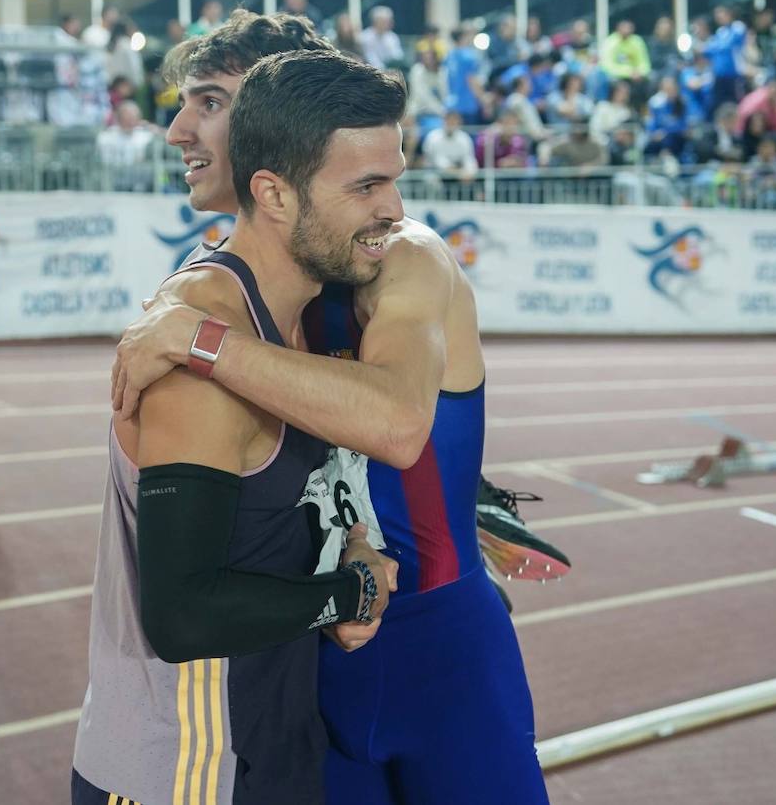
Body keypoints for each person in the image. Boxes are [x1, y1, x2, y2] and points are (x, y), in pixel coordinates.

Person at [113, 42, 551, 805]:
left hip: (442, 654)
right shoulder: (238, 291)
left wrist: (199, 340)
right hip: (321, 655)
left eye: (215, 103)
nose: (187, 128)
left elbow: (397, 423)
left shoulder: (402, 257)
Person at [72, 48, 402, 805]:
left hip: (265, 747)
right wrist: (347, 594)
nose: (393, 211)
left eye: (394, 180)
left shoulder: (294, 321)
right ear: (275, 194)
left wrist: (354, 540)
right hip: (181, 773)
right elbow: (183, 615)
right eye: (367, 187)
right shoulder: (203, 342)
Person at [360, 5, 405, 70]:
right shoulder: (365, 37)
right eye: (385, 21)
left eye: (389, 21)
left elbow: (398, 56)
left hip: (391, 71)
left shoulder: (392, 37)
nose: (389, 23)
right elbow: (371, 59)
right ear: (375, 21)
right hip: (370, 72)